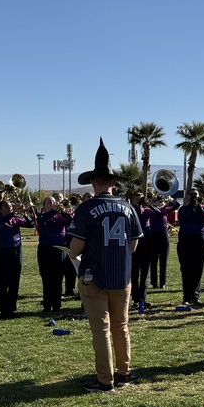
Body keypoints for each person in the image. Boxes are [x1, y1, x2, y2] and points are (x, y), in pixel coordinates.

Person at [68, 138, 143, 392]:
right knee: (121, 326)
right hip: (121, 276)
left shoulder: (87, 208)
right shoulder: (128, 208)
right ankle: (125, 371)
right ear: (113, 182)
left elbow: (76, 248)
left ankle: (105, 379)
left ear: (93, 181)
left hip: (94, 275)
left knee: (101, 330)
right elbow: (133, 245)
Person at [0, 197, 34, 319]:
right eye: (6, 206)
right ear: (0, 209)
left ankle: (12, 308)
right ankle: (3, 309)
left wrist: (25, 215)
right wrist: (14, 212)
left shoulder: (14, 219)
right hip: (4, 251)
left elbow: (30, 225)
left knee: (14, 281)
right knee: (4, 281)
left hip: (17, 250)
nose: (10, 208)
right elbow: (0, 225)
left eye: (10, 206)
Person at [176, 187, 204, 305]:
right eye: (190, 194)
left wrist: (199, 207)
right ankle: (187, 296)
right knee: (186, 268)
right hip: (186, 239)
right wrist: (191, 206)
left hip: (200, 239)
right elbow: (182, 219)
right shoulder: (183, 209)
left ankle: (195, 296)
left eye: (195, 194)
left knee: (198, 268)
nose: (193, 196)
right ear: (187, 197)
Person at [36, 194, 74, 313]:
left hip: (59, 249)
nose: (52, 203)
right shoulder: (42, 216)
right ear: (44, 205)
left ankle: (57, 304)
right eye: (49, 202)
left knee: (58, 277)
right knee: (46, 278)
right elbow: (41, 223)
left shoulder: (60, 216)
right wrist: (53, 211)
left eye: (54, 201)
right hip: (45, 249)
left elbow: (70, 221)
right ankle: (47, 304)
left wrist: (62, 211)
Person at [148, 195, 178, 289]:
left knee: (164, 260)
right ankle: (154, 283)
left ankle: (162, 283)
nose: (160, 202)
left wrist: (171, 199)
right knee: (153, 260)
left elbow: (177, 204)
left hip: (164, 236)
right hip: (153, 236)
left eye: (161, 201)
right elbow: (156, 212)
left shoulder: (166, 209)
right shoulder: (151, 209)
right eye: (158, 201)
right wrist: (152, 203)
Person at [128, 192, 151, 311]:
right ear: (132, 200)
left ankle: (143, 298)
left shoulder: (147, 210)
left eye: (141, 199)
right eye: (136, 199)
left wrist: (150, 204)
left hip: (146, 241)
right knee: (134, 272)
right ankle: (135, 299)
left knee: (145, 272)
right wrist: (136, 206)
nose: (139, 200)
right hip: (134, 241)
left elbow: (159, 213)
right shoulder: (130, 210)